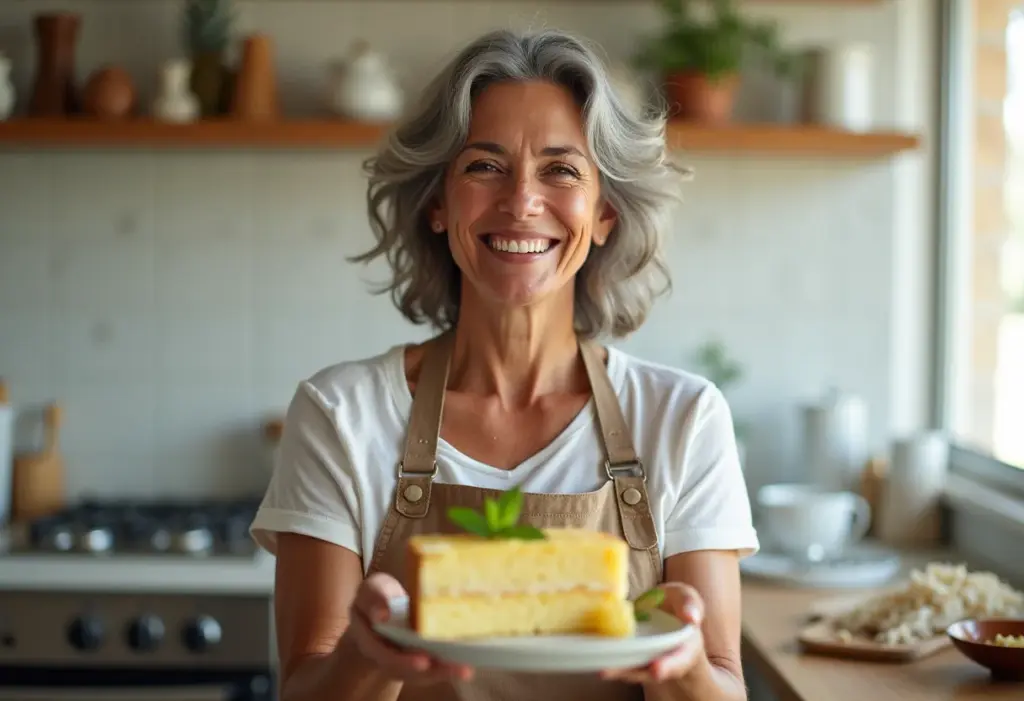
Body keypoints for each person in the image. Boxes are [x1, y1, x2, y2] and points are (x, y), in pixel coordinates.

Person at [250, 27, 759, 701]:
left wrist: (686, 662)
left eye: (561, 170)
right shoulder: (341, 415)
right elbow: (306, 683)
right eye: (484, 166)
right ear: (437, 203)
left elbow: (723, 682)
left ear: (605, 211)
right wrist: (367, 654)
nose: (522, 201)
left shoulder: (683, 419)